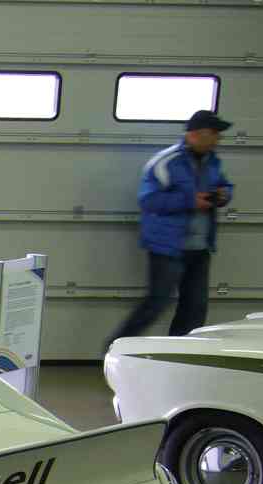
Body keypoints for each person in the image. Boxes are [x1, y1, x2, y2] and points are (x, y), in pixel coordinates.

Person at [106, 110, 235, 348]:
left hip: (200, 247)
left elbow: (225, 185)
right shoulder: (166, 161)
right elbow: (149, 200)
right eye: (214, 133)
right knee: (156, 303)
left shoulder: (213, 161)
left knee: (195, 307)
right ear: (195, 134)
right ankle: (115, 348)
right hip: (168, 247)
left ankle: (180, 354)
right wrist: (190, 201)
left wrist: (224, 194)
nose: (218, 138)